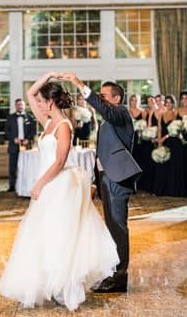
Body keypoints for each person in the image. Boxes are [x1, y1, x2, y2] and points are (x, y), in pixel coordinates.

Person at [0, 74, 118, 310]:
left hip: (58, 185)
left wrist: (40, 183)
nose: (39, 104)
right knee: (43, 235)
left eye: (43, 101)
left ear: (51, 103)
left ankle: (63, 286)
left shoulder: (63, 126)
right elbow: (31, 94)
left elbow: (60, 161)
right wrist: (48, 76)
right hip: (48, 185)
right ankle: (49, 283)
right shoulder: (47, 122)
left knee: (61, 236)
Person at [60, 72, 140, 294]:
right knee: (111, 227)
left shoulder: (121, 114)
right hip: (107, 179)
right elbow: (101, 154)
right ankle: (113, 273)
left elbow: (105, 110)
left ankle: (119, 277)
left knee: (118, 227)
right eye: (100, 95)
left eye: (105, 96)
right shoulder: (107, 122)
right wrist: (96, 181)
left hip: (117, 179)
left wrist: (80, 84)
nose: (101, 99)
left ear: (116, 99)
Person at [6, 98, 37, 194]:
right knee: (13, 167)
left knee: (26, 166)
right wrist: (13, 138)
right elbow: (6, 132)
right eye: (18, 104)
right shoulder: (10, 117)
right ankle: (12, 186)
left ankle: (26, 185)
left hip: (26, 146)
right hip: (14, 145)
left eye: (21, 105)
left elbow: (33, 131)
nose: (20, 106)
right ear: (15, 106)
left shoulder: (30, 117)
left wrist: (28, 139)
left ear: (24, 106)